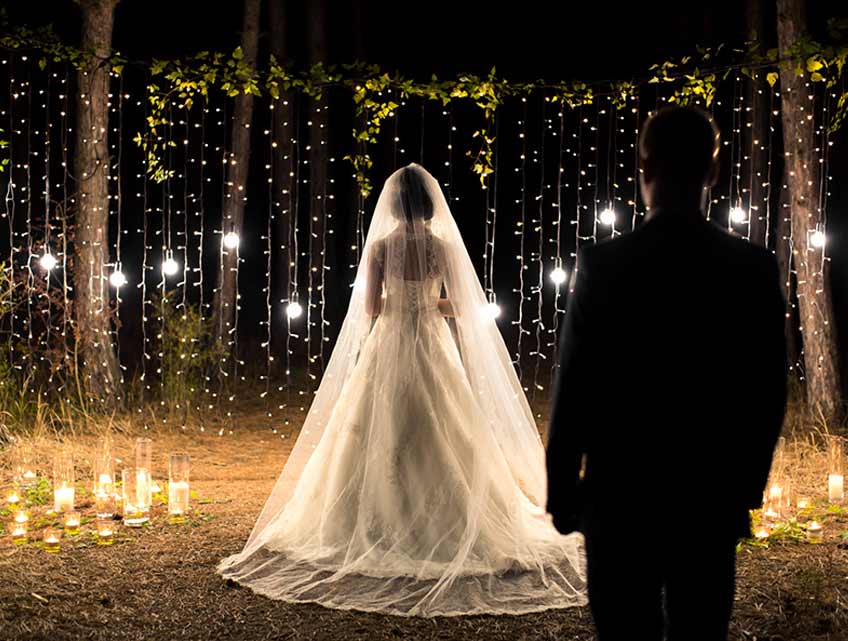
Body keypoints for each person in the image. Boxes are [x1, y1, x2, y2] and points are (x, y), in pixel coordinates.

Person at [219, 164, 585, 617]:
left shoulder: (381, 246)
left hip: (389, 344)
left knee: (380, 425)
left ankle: (373, 522)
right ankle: (444, 522)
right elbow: (461, 304)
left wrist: (402, 300)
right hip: (431, 343)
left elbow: (371, 307)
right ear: (431, 204)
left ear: (392, 204)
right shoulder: (443, 246)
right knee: (444, 421)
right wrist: (429, 302)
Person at [546, 106, 787, 641]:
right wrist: (744, 485)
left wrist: (563, 487)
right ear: (713, 172)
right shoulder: (749, 267)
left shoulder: (605, 264)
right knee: (700, 629)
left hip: (620, 494)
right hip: (707, 495)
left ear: (644, 166)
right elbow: (767, 389)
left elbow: (576, 384)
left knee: (624, 629)